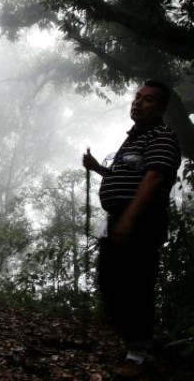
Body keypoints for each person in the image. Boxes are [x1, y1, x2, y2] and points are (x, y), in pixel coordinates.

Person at [83, 80, 181, 378]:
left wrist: (129, 219)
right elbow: (125, 174)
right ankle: (133, 345)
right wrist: (99, 168)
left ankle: (137, 356)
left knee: (136, 286)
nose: (138, 102)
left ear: (161, 107)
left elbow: (152, 179)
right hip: (120, 219)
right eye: (137, 97)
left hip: (142, 220)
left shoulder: (162, 137)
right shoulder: (133, 139)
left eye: (148, 99)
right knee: (111, 282)